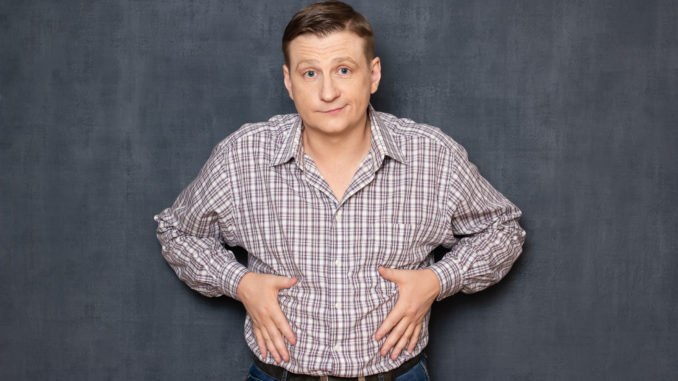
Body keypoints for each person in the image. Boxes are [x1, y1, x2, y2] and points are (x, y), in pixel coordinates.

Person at [154, 1, 526, 380]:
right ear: (289, 82)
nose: (327, 92)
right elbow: (177, 232)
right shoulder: (242, 156)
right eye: (310, 73)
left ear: (373, 74)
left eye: (343, 70)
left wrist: (438, 280)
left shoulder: (432, 156)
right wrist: (239, 282)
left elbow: (503, 230)